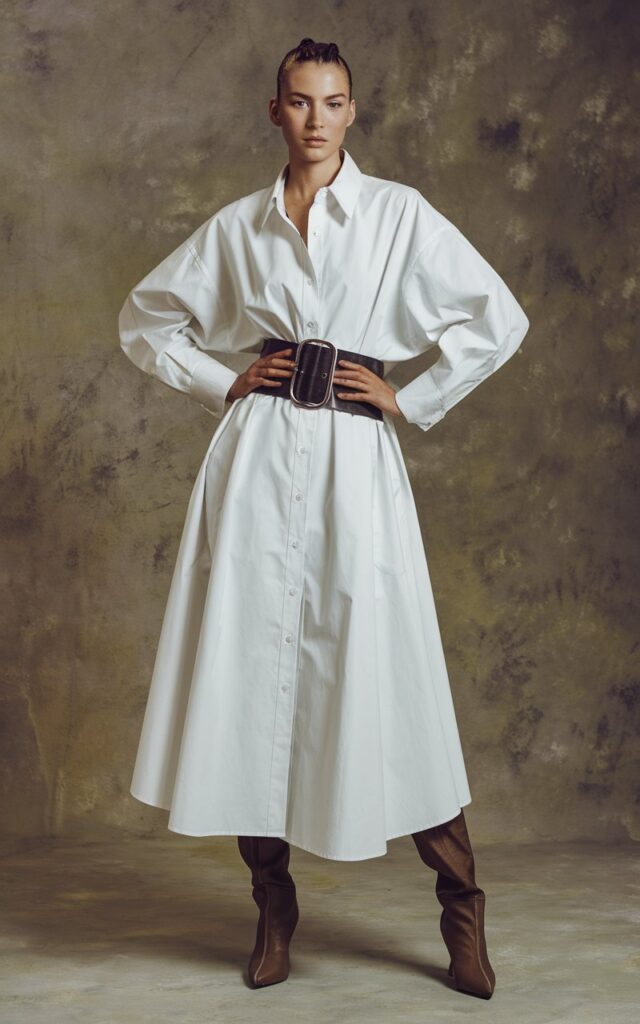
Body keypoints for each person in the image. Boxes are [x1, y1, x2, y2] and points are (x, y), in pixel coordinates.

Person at [118, 37, 529, 1000]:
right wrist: (224, 378)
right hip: (256, 462)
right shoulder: (240, 225)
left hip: (354, 466)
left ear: (353, 112)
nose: (316, 119)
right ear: (275, 112)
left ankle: (461, 912)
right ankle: (272, 906)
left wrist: (410, 398)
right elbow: (147, 319)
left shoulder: (398, 216)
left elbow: (495, 317)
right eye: (300, 102)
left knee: (392, 679)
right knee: (251, 677)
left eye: (333, 103)